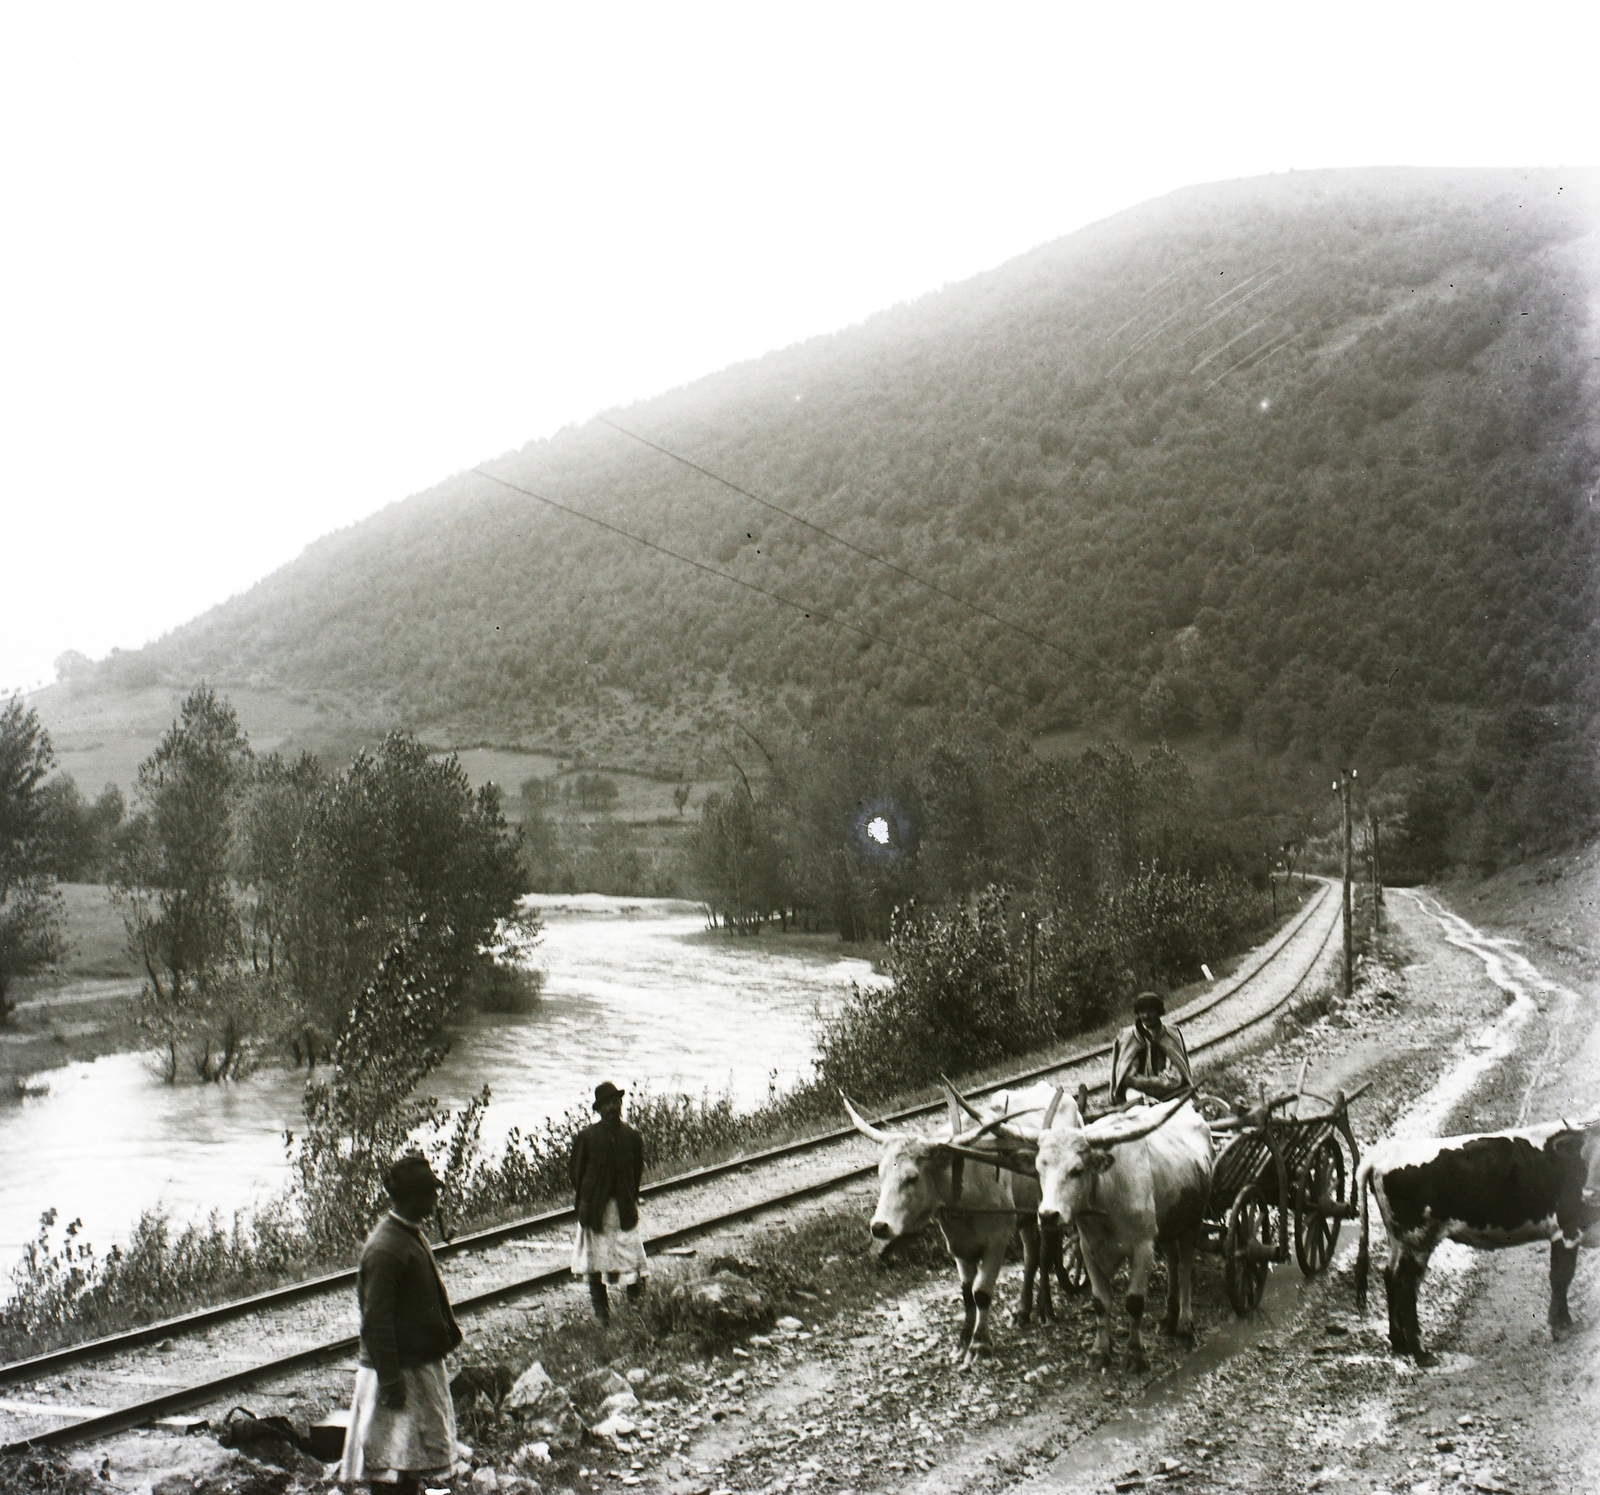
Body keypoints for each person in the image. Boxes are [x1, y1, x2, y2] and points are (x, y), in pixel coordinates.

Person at [338, 1152, 464, 1493]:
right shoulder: (385, 1248)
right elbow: (376, 1322)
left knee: (412, 1458)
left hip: (415, 1363)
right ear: (415, 1197)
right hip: (395, 1371)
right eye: (431, 1192)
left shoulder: (408, 1234)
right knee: (391, 1462)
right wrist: (391, 1380)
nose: (436, 1198)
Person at [570, 1080, 648, 1322]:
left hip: (624, 1210)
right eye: (607, 1104)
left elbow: (636, 1173)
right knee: (594, 1265)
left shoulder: (632, 1136)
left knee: (633, 1261)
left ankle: (637, 1312)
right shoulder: (586, 1137)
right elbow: (576, 1173)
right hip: (596, 1212)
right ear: (599, 1109)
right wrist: (589, 1198)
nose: (613, 1107)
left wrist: (628, 1196)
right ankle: (602, 1317)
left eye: (616, 1102)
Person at [1110, 991, 1193, 1104]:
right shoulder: (1128, 1037)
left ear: (1158, 1012)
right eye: (1142, 1012)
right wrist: (1157, 1081)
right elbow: (1126, 1078)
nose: (1146, 1016)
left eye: (1150, 1011)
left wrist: (1146, 1081)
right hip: (1136, 1092)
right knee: (1137, 1110)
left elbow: (1176, 1078)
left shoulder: (1171, 1034)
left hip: (1169, 1091)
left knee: (1183, 1109)